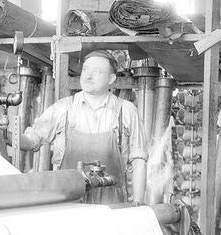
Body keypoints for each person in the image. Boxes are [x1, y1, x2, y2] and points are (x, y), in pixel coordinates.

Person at [20, 50, 148, 204]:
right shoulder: (64, 108)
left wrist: (139, 203)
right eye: (86, 69)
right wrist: (3, 134)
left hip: (111, 205)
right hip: (68, 201)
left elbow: (139, 160)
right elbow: (31, 141)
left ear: (111, 79)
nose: (88, 75)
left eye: (97, 71)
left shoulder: (126, 111)